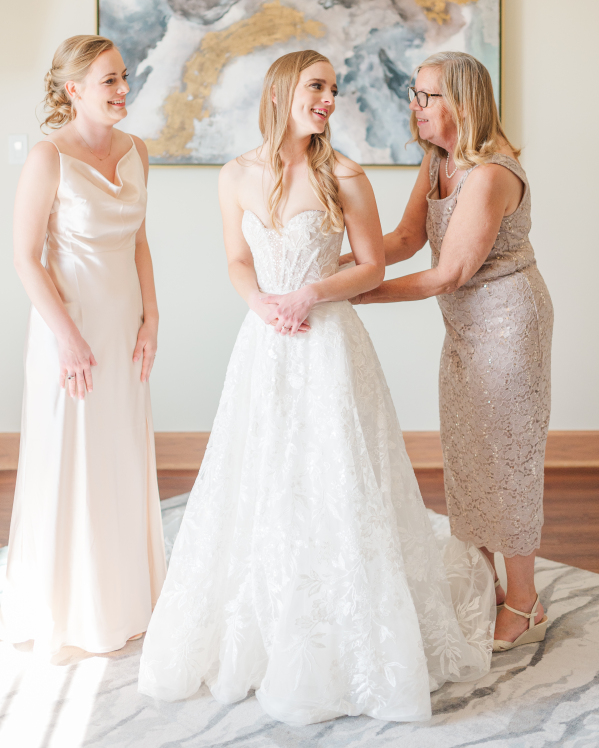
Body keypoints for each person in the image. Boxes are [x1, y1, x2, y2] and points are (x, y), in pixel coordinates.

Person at [138, 49, 495, 725]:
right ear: (280, 92)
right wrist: (261, 304)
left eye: (333, 87)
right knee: (264, 474)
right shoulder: (235, 175)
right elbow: (236, 258)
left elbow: (370, 266)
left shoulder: (346, 174)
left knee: (337, 476)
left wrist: (308, 294)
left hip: (327, 341)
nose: (329, 98)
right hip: (265, 342)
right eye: (316, 86)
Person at [344, 51, 553, 653]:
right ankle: (487, 585)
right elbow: (407, 238)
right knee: (468, 453)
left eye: (426, 95)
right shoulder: (438, 158)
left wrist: (356, 293)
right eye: (414, 93)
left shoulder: (490, 174)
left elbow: (449, 272)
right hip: (465, 328)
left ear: (462, 103)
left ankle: (525, 603)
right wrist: (337, 266)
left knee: (508, 461)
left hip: (510, 326)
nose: (414, 105)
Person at [1, 35, 166, 655]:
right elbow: (25, 258)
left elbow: (140, 241)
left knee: (121, 452)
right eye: (110, 80)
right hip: (67, 331)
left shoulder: (137, 151)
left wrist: (152, 318)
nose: (124, 89)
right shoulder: (48, 158)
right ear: (74, 90)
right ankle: (69, 610)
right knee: (72, 459)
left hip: (125, 329)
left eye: (124, 77)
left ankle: (126, 600)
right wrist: (67, 339)